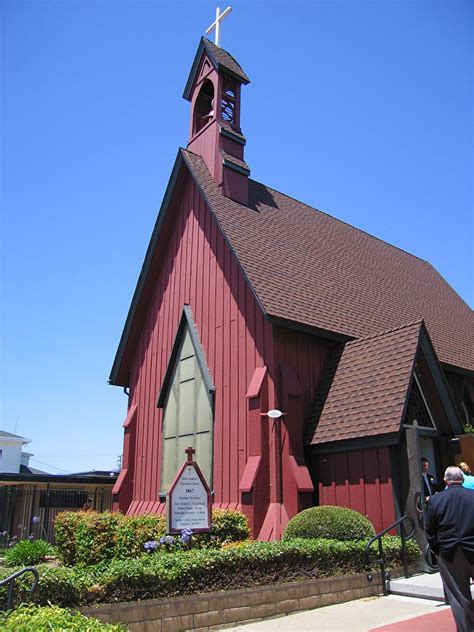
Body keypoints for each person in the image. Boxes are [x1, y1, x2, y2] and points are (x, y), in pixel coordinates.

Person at [425, 466, 474, 632]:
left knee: (459, 597)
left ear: (446, 481)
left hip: (450, 553)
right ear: (462, 479)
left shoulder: (435, 500)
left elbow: (430, 529)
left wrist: (436, 550)